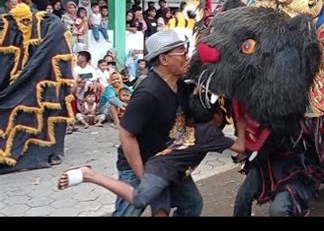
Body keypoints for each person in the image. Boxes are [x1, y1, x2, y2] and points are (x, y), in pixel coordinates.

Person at [57, 95, 247, 216]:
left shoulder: (191, 124)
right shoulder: (211, 134)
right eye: (223, 114)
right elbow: (241, 146)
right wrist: (241, 117)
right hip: (160, 170)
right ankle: (89, 174)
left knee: (183, 205)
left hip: (167, 169)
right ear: (216, 117)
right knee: (139, 199)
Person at [111, 30, 203, 217]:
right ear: (164, 59)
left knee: (192, 204)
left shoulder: (182, 87)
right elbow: (126, 134)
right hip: (137, 163)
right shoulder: (148, 93)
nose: (186, 57)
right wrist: (143, 176)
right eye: (182, 52)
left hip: (166, 162)